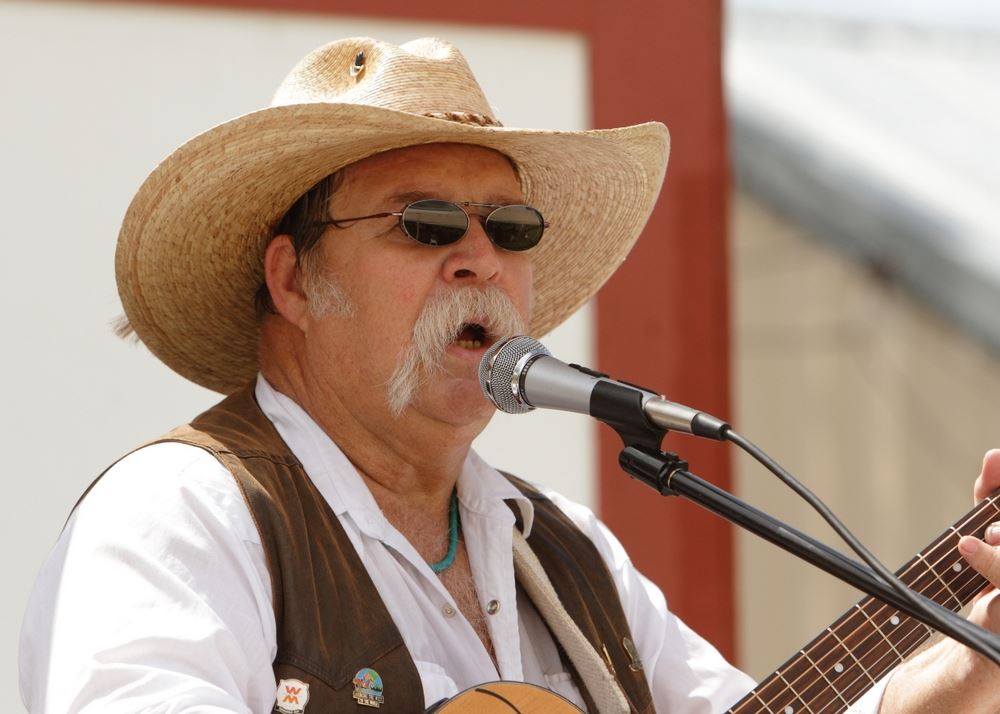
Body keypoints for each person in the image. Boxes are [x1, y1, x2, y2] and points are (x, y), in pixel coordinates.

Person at [17, 36, 1000, 714]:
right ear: (294, 278)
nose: (477, 257)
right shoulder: (182, 516)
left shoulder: (565, 555)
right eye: (426, 223)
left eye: (510, 227)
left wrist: (967, 657)